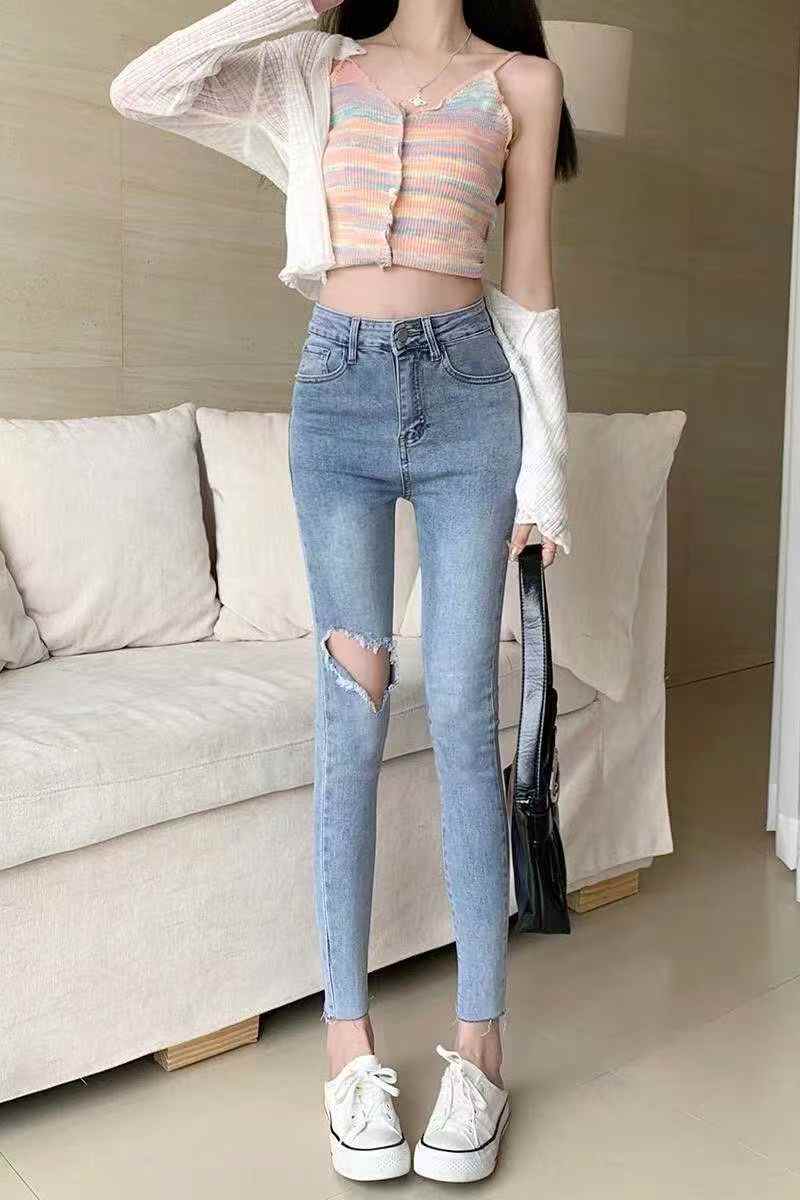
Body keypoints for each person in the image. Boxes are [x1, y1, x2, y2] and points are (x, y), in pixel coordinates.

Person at [109, 0, 577, 1182]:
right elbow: (145, 87)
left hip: (472, 399)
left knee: (463, 713)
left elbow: (528, 284)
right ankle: (347, 1049)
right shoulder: (314, 65)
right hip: (338, 397)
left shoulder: (522, 82)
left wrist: (548, 474)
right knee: (350, 718)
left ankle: (479, 1047)